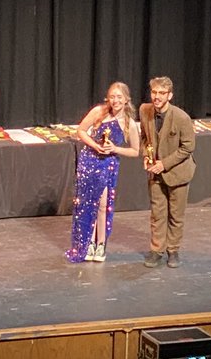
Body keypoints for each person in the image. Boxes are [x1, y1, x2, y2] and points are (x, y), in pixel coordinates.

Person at [66, 82, 140, 263]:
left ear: (126, 100)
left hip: (108, 164)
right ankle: (87, 242)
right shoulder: (99, 112)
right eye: (112, 96)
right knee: (86, 203)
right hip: (89, 161)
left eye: (119, 97)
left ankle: (101, 243)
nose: (115, 100)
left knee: (102, 204)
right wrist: (95, 146)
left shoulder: (129, 123)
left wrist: (114, 148)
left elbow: (135, 151)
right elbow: (81, 131)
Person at [138, 76, 195, 268]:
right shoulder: (145, 111)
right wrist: (147, 156)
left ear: (170, 95)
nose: (157, 97)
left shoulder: (181, 118)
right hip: (155, 173)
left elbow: (188, 148)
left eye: (162, 93)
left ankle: (173, 250)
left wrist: (164, 164)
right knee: (157, 213)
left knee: (176, 215)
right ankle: (157, 250)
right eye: (154, 92)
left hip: (178, 173)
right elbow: (145, 138)